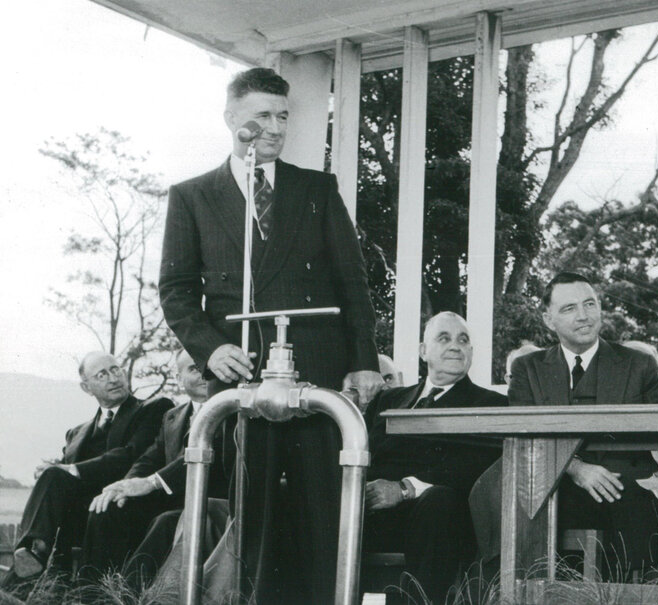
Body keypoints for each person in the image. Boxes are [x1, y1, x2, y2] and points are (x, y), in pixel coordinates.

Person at [158, 67, 383, 602]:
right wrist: (212, 351)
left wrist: (364, 359)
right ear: (232, 118)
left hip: (319, 374)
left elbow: (352, 282)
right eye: (262, 115)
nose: (276, 127)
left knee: (323, 514)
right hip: (242, 380)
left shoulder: (317, 188)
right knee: (252, 515)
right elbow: (177, 290)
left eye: (283, 116)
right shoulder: (191, 196)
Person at [469, 272, 658, 580]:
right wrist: (576, 469)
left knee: (634, 498)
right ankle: (521, 591)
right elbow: (525, 438)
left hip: (626, 489)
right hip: (558, 487)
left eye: (590, 304)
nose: (583, 316)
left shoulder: (638, 364)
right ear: (549, 320)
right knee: (517, 497)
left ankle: (635, 592)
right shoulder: (528, 369)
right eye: (569, 308)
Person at [363, 312, 505, 604]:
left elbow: (476, 468)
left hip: (439, 517)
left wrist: (404, 488)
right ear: (423, 351)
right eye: (444, 338)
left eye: (463, 340)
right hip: (371, 511)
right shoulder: (388, 400)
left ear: (471, 353)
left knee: (439, 503)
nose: (456, 346)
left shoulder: (492, 404)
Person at [3, 353, 170, 584]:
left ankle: (30, 565)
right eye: (102, 375)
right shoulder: (76, 433)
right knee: (52, 475)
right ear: (86, 387)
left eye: (115, 370)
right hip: (78, 514)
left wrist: (71, 469)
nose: (113, 378)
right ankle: (33, 555)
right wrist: (52, 470)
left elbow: (132, 455)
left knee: (61, 477)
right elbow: (61, 478)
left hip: (124, 507)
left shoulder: (154, 409)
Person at [77, 350, 228, 584]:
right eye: (195, 369)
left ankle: (125, 594)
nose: (204, 376)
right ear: (179, 379)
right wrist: (124, 485)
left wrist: (150, 483)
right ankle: (90, 595)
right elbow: (150, 458)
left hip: (209, 501)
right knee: (108, 508)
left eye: (210, 369)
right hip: (170, 500)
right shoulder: (172, 416)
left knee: (165, 521)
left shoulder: (229, 410)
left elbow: (206, 453)